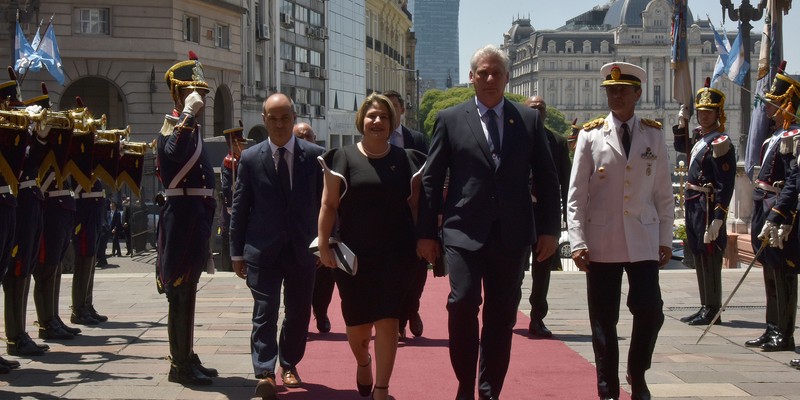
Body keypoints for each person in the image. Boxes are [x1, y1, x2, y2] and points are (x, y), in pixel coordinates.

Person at [416, 44, 561, 400]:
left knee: (501, 317)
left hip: (512, 234)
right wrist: (425, 233)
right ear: (472, 77)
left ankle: (489, 388)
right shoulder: (450, 119)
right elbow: (432, 179)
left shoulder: (527, 121)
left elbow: (546, 178)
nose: (490, 78)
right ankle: (465, 384)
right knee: (462, 302)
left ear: (507, 78)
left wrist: (550, 230)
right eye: (483, 72)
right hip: (463, 230)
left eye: (497, 72)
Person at [567, 62, 673, 400]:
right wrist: (578, 241)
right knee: (603, 319)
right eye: (611, 90)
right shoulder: (590, 135)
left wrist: (666, 239)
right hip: (602, 240)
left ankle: (637, 371)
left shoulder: (653, 134)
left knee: (650, 310)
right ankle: (607, 388)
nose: (615, 95)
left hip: (642, 237)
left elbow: (663, 193)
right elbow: (576, 195)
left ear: (637, 94)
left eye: (622, 90)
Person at [318, 93, 426, 400]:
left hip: (397, 256)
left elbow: (417, 207)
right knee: (358, 329)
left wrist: (424, 242)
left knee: (388, 318)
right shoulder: (342, 158)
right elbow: (328, 205)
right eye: (371, 116)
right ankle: (363, 360)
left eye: (383, 116)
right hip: (354, 260)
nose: (377, 121)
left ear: (393, 122)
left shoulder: (407, 160)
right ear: (361, 121)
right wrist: (324, 245)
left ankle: (382, 389)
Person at [229, 94, 324, 400]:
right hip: (262, 251)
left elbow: (328, 205)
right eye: (274, 118)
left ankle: (290, 363)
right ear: (264, 119)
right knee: (265, 310)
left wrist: (325, 243)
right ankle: (265, 371)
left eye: (285, 117)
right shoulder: (250, 158)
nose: (280, 124)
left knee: (298, 313)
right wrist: (236, 253)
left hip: (302, 250)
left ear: (294, 117)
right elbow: (240, 207)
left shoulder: (315, 156)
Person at [156, 51, 218, 386]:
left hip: (195, 219)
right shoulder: (173, 128)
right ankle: (178, 364)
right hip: (182, 220)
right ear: (179, 94)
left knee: (189, 288)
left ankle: (186, 354)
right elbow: (172, 160)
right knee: (179, 290)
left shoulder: (189, 129)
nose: (201, 98)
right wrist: (188, 116)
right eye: (194, 92)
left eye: (203, 94)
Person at [672, 78, 736, 326]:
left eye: (708, 112)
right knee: (699, 256)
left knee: (710, 258)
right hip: (694, 204)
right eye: (700, 112)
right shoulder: (699, 136)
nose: (704, 116)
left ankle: (713, 309)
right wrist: (681, 123)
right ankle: (704, 306)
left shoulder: (720, 143)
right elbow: (682, 147)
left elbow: (725, 183)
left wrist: (719, 217)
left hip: (708, 207)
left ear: (718, 114)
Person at [750, 61, 800, 354]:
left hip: (781, 211)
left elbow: (794, 179)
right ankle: (771, 328)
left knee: (784, 273)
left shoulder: (794, 137)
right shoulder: (774, 137)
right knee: (769, 270)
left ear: (788, 105)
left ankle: (785, 332)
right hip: (764, 207)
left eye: (774, 103)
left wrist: (781, 214)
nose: (768, 108)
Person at [382, 89, 429, 340]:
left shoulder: (418, 139)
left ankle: (412, 309)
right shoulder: (373, 137)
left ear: (402, 110)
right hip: (384, 219)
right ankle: (398, 321)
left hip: (414, 217)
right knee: (391, 274)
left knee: (417, 273)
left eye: (393, 107)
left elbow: (430, 176)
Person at [523, 95, 571, 338]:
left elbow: (565, 183)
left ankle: (537, 317)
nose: (537, 111)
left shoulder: (558, 142)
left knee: (542, 271)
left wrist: (563, 220)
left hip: (544, 215)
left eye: (541, 108)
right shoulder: (513, 137)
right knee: (512, 269)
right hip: (518, 214)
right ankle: (508, 310)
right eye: (532, 108)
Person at [292, 122, 334, 334]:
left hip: (320, 230)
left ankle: (322, 311)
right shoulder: (286, 160)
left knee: (324, 281)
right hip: (295, 233)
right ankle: (302, 318)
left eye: (308, 136)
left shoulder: (324, 162)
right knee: (298, 283)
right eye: (299, 137)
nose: (304, 140)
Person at [71, 180, 109, 325]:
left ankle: (86, 304)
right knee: (84, 259)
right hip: (84, 208)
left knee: (91, 259)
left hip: (94, 207)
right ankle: (79, 309)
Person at [219, 121, 247, 272]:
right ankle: (228, 267)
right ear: (234, 144)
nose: (242, 146)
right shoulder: (230, 162)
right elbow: (227, 187)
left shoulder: (240, 159)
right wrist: (231, 205)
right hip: (232, 209)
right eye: (240, 143)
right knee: (230, 238)